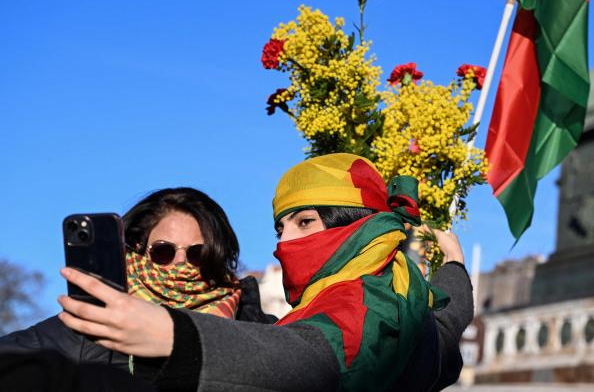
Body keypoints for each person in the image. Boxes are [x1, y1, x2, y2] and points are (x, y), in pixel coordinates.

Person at [55, 154, 473, 391]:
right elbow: (447, 327)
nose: (284, 243)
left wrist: (176, 337)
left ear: (354, 226)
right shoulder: (407, 298)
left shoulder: (362, 300)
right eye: (280, 227)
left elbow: (310, 356)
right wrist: (453, 268)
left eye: (304, 223)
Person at [0, 187, 274, 386]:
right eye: (164, 251)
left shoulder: (259, 330)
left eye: (196, 253)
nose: (181, 264)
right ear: (139, 251)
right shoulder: (90, 327)